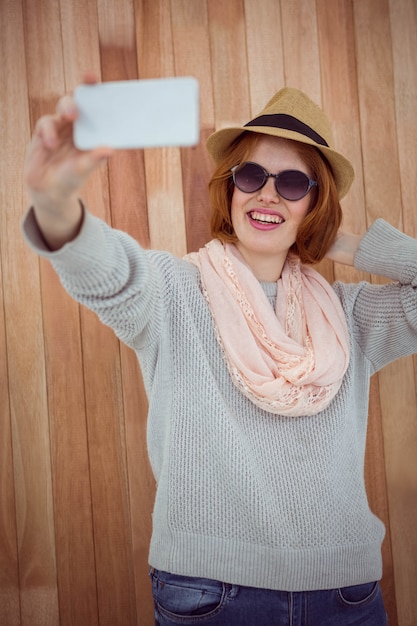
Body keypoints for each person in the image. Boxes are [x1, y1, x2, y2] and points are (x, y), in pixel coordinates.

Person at [23, 80, 416, 626]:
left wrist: (344, 243)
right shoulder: (174, 292)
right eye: (252, 176)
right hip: (211, 596)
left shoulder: (352, 316)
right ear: (230, 189)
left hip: (345, 595)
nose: (268, 194)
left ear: (316, 201)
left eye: (294, 183)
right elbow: (109, 272)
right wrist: (53, 201)